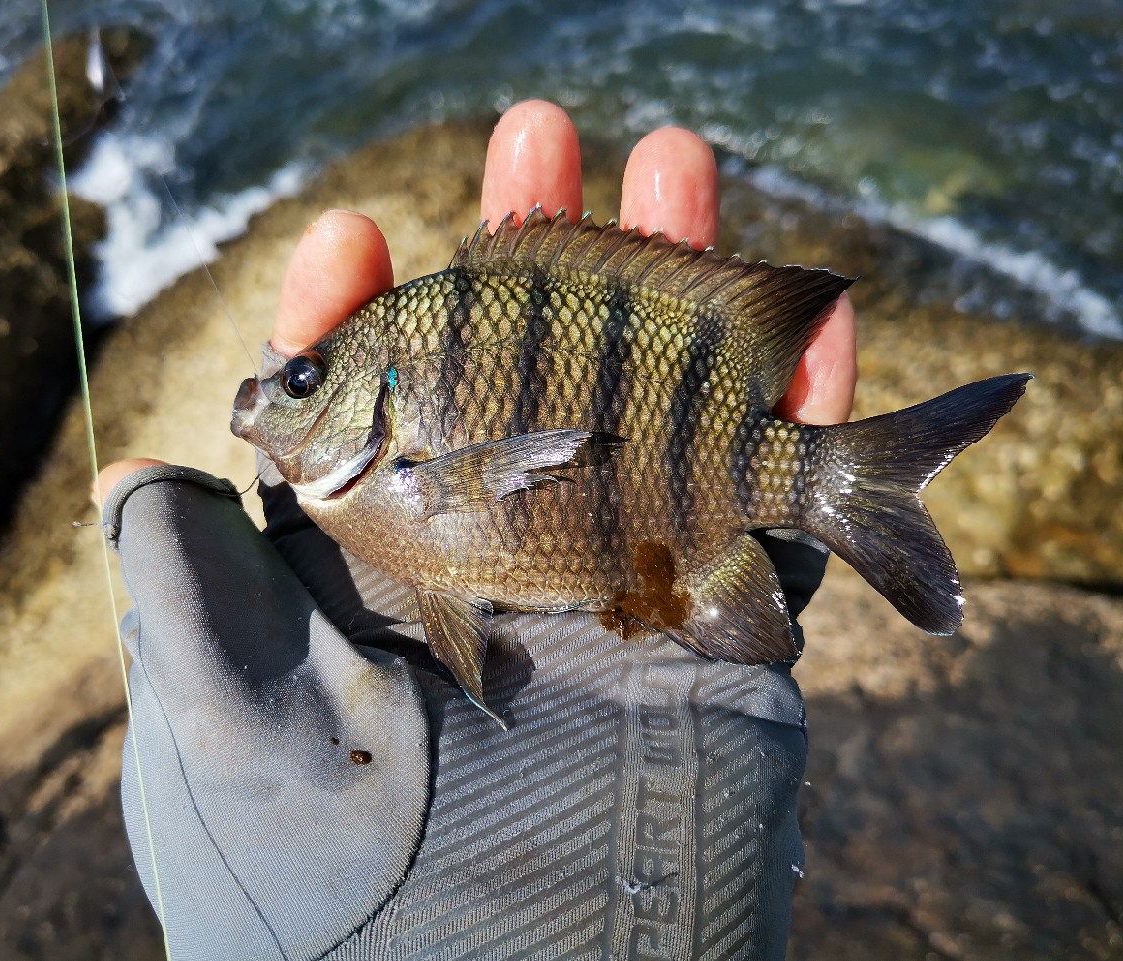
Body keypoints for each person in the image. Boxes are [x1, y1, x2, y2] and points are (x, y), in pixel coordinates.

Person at [96, 100, 858, 960]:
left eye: (304, 381)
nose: (266, 396)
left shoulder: (386, 446)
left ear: (375, 393)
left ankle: (837, 482)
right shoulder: (368, 462)